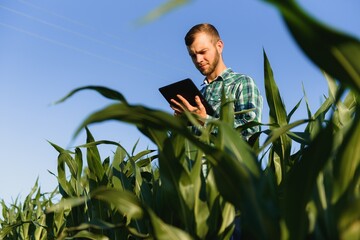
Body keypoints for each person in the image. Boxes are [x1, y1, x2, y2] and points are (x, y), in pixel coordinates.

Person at [171, 23, 263, 141]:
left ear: (219, 46)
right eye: (193, 56)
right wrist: (181, 125)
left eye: (203, 52)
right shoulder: (197, 96)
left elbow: (249, 132)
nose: (198, 60)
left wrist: (205, 120)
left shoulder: (242, 83)